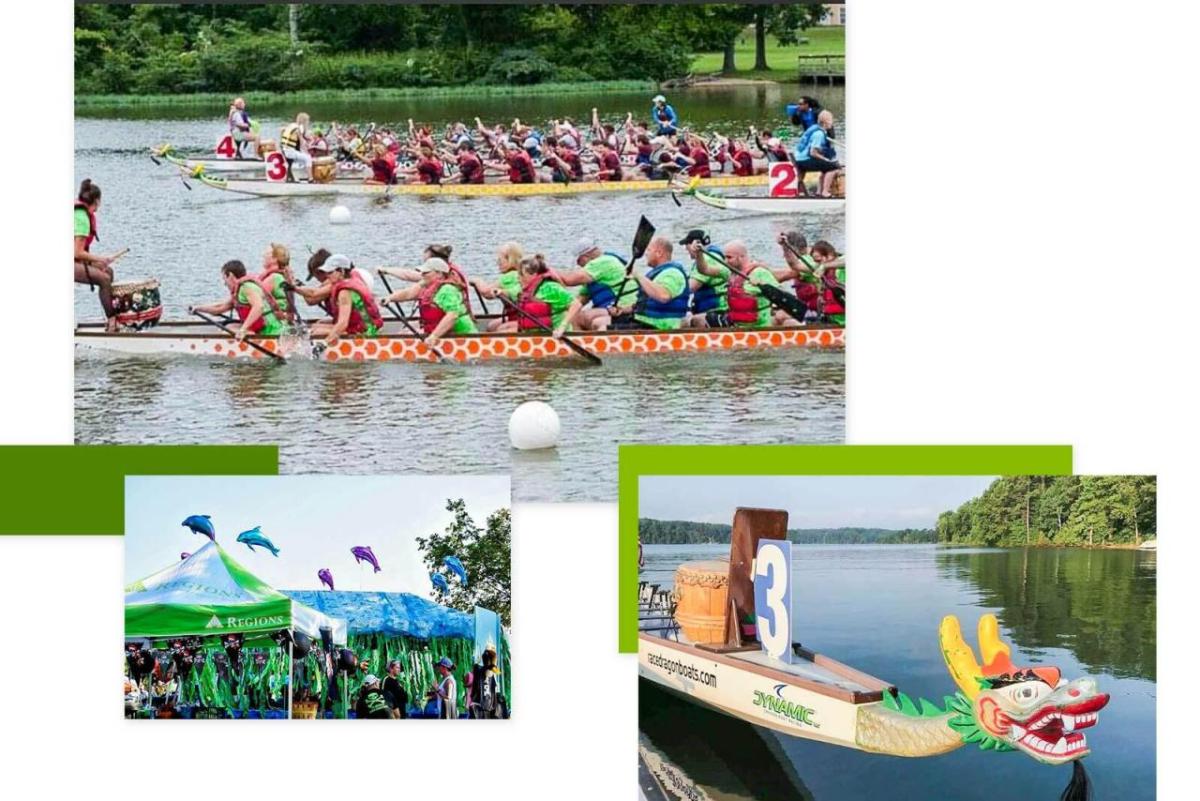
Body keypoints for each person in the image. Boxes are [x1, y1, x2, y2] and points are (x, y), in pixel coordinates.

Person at [381, 257, 477, 345]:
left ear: (439, 273)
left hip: (460, 335)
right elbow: (408, 294)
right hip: (440, 332)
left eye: (426, 272)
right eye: (422, 272)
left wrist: (434, 336)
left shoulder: (447, 290)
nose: (422, 275)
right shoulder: (427, 286)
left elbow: (452, 315)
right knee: (405, 331)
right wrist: (390, 298)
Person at [294, 253, 384, 343]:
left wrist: (325, 344)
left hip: (367, 332)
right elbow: (314, 293)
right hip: (367, 326)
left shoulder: (345, 291)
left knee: (315, 331)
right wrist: (294, 287)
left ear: (341, 271)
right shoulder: (351, 278)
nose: (327, 276)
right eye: (326, 272)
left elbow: (343, 323)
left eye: (330, 272)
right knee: (316, 326)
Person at [189, 260, 285, 341]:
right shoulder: (240, 290)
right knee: (230, 327)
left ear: (230, 275)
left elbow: (259, 307)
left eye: (224, 279)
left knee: (227, 333)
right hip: (261, 329)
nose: (224, 283)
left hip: (270, 331)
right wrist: (198, 308)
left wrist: (243, 329)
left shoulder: (246, 287)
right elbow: (220, 307)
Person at [693, 240, 780, 329]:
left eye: (729, 257)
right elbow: (704, 269)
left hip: (758, 326)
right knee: (697, 320)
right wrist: (699, 255)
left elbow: (780, 296)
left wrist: (762, 285)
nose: (726, 261)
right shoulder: (729, 272)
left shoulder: (760, 273)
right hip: (735, 324)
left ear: (741, 257)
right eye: (725, 257)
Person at [553, 240, 637, 331]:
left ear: (585, 257)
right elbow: (581, 299)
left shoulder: (603, 262)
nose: (578, 264)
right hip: (608, 309)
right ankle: (582, 342)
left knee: (576, 318)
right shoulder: (593, 275)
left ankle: (577, 342)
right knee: (571, 314)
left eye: (578, 261)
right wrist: (557, 310)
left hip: (623, 309)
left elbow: (569, 280)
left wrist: (546, 271)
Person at [610, 237, 690, 331]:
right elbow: (644, 304)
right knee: (614, 320)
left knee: (606, 328)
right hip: (646, 323)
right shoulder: (658, 274)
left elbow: (663, 296)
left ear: (659, 253)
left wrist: (638, 275)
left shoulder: (673, 273)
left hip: (662, 327)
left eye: (648, 250)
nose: (645, 254)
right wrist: (622, 310)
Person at [73, 179, 120, 331]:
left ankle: (110, 318)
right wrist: (102, 259)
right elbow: (78, 252)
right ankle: (112, 322)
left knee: (108, 271)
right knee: (104, 279)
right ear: (97, 200)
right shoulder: (82, 218)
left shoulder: (81, 213)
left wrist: (100, 263)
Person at [504, 254, 583, 337]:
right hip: (533, 336)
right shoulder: (524, 289)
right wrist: (499, 292)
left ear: (533, 274)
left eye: (521, 275)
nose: (518, 278)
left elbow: (576, 304)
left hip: (554, 337)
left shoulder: (550, 288)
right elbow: (511, 292)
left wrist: (562, 327)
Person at [470, 242, 524, 331]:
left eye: (500, 260)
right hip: (517, 316)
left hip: (520, 317)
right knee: (491, 326)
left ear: (509, 260)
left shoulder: (509, 277)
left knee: (496, 328)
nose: (498, 263)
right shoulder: (520, 273)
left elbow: (487, 293)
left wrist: (477, 281)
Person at [681, 230, 729, 328]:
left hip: (717, 310)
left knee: (682, 323)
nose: (685, 249)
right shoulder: (713, 256)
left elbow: (690, 287)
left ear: (694, 244)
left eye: (687, 245)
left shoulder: (708, 258)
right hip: (713, 309)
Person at [792, 109, 843, 197]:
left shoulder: (814, 128)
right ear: (825, 122)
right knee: (833, 167)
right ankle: (825, 192)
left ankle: (819, 192)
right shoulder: (819, 134)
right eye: (831, 121)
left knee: (826, 167)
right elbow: (813, 152)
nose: (832, 123)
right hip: (804, 160)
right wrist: (826, 159)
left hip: (798, 158)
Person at [258, 243, 297, 325]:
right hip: (284, 319)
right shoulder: (285, 275)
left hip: (275, 322)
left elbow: (254, 298)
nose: (263, 256)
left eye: (267, 254)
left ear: (275, 259)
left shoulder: (274, 278)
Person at [811, 240, 846, 325]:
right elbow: (795, 265)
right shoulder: (822, 272)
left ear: (830, 254)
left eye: (819, 260)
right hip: (832, 319)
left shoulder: (841, 262)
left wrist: (825, 266)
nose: (818, 264)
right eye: (816, 261)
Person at [466, 647, 502, 719]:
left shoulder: (477, 669)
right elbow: (496, 672)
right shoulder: (491, 671)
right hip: (483, 707)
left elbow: (477, 665)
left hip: (479, 707)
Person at [279, 112, 313, 182]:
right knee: (308, 158)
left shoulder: (291, 125)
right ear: (304, 121)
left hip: (285, 150)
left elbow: (282, 130)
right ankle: (310, 178)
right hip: (290, 152)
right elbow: (302, 143)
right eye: (307, 121)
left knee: (301, 159)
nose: (308, 123)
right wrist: (307, 152)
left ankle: (291, 177)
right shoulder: (298, 129)